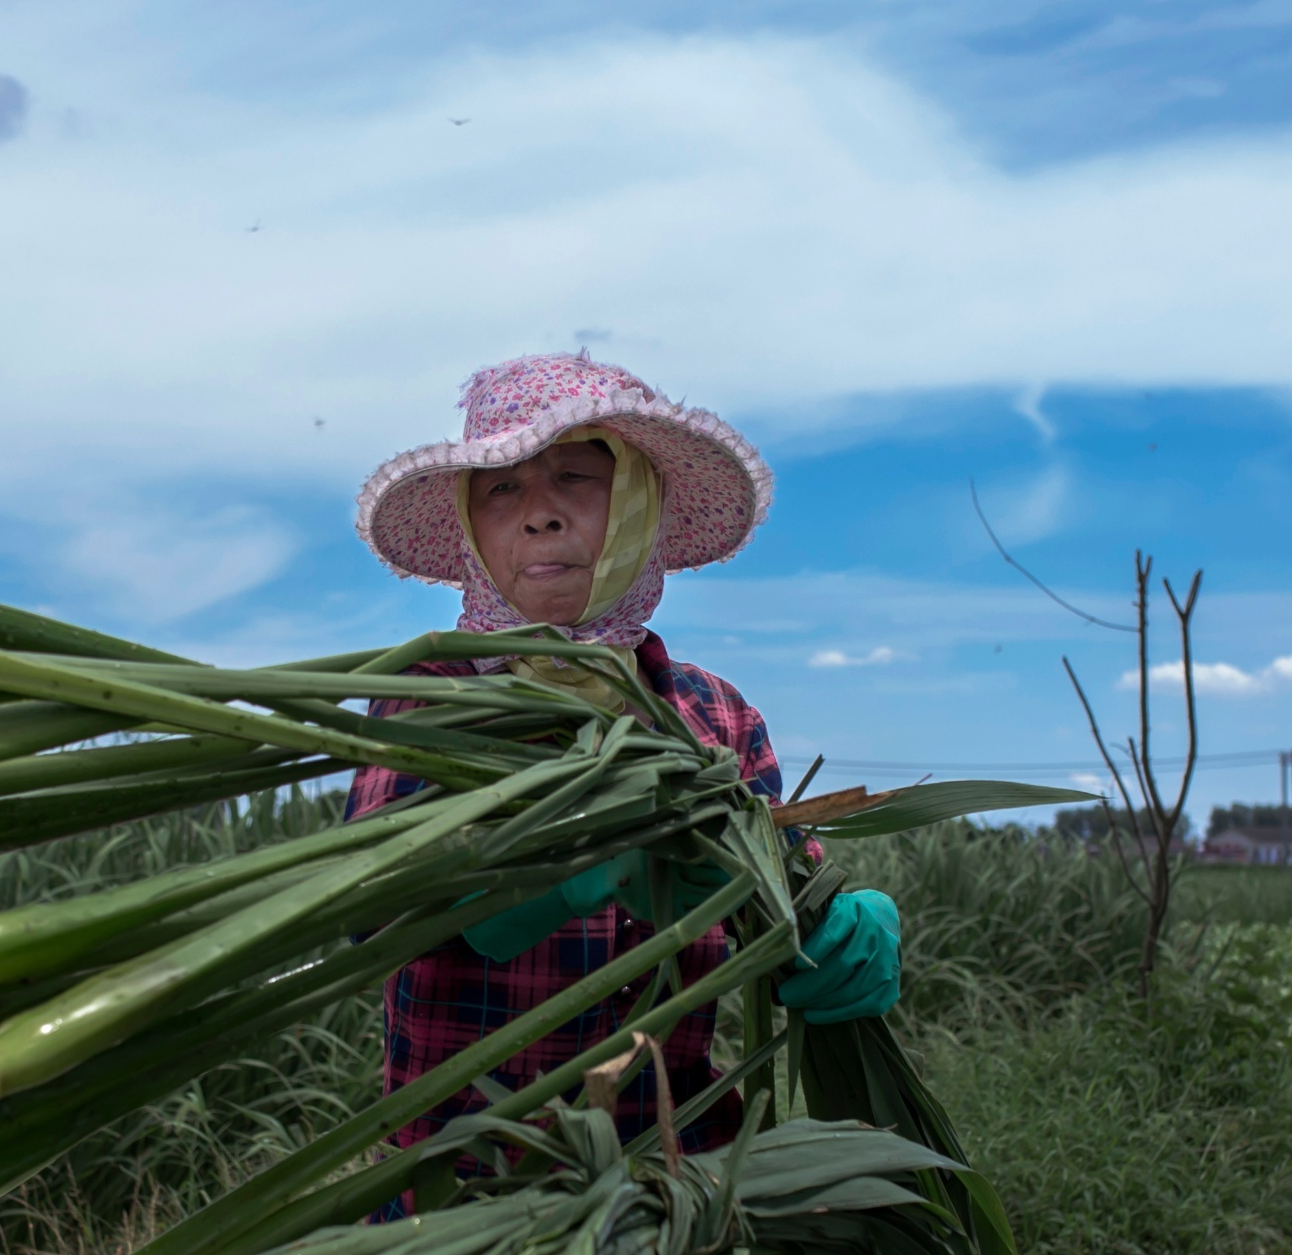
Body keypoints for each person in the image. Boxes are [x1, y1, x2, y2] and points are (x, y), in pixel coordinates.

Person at [347, 352, 899, 1167]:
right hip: (468, 1182)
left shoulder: (714, 715)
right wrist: (563, 868)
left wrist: (831, 935)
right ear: (470, 526)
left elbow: (783, 892)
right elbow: (375, 910)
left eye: (575, 476)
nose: (537, 514)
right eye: (501, 489)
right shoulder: (432, 695)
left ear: (641, 503)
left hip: (682, 1178)